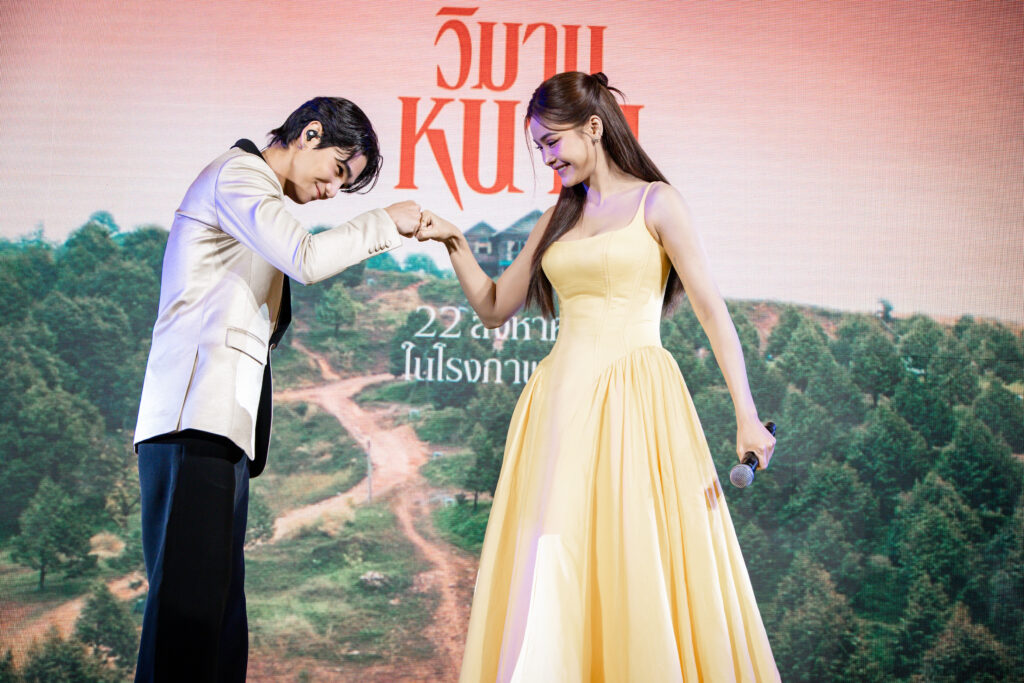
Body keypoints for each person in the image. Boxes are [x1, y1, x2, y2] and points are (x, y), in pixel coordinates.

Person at [415, 72, 780, 682]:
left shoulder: (657, 202)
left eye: (552, 142)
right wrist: (454, 240)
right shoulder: (556, 218)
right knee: (559, 558)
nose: (547, 158)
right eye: (539, 147)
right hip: (560, 403)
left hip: (636, 398)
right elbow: (495, 306)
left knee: (634, 556)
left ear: (593, 126)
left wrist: (746, 412)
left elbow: (712, 310)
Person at [132, 97, 420, 682]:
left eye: (344, 185)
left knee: (217, 631)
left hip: (221, 429)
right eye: (337, 171)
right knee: (187, 626)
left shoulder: (256, 195)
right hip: (194, 421)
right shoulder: (238, 176)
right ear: (309, 133)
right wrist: (388, 221)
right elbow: (306, 258)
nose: (332, 192)